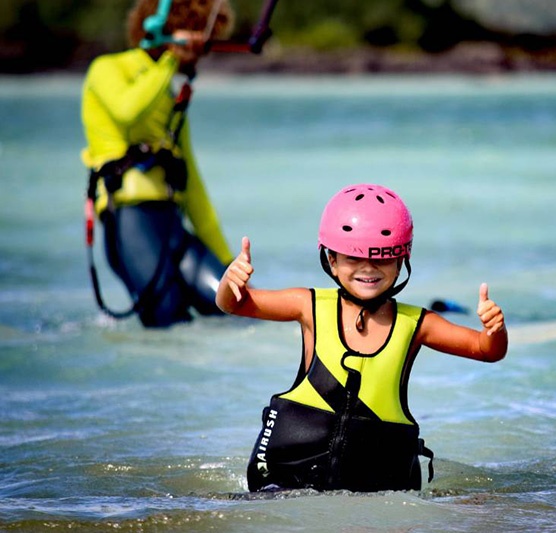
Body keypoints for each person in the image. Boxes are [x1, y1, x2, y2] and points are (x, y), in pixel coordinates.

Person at [216, 184, 508, 492]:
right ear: (332, 261)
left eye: (381, 258)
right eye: (353, 258)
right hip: (286, 482)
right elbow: (234, 304)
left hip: (374, 490)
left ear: (401, 261)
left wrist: (495, 330)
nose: (368, 268)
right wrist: (230, 281)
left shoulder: (417, 323)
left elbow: (486, 350)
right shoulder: (308, 306)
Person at [80, 0, 236, 327]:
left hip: (172, 224)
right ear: (166, 32)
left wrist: (227, 261)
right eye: (194, 41)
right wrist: (169, 58)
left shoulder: (168, 98)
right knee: (169, 318)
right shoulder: (107, 69)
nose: (200, 54)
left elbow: (193, 187)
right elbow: (128, 110)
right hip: (128, 220)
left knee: (235, 308)